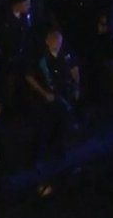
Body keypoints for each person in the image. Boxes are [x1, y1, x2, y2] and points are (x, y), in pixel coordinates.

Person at [25, 27, 81, 162]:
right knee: (44, 126)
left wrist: (76, 87)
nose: (57, 45)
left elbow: (74, 69)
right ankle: (38, 156)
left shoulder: (67, 53)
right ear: (47, 41)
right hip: (47, 96)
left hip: (64, 93)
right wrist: (44, 93)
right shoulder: (40, 58)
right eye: (54, 42)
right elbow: (29, 76)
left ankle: (59, 151)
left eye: (59, 42)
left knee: (62, 124)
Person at [0, 0, 34, 106]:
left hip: (20, 54)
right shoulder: (2, 18)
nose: (28, 6)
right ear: (17, 4)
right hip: (5, 58)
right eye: (26, 4)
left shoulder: (25, 16)